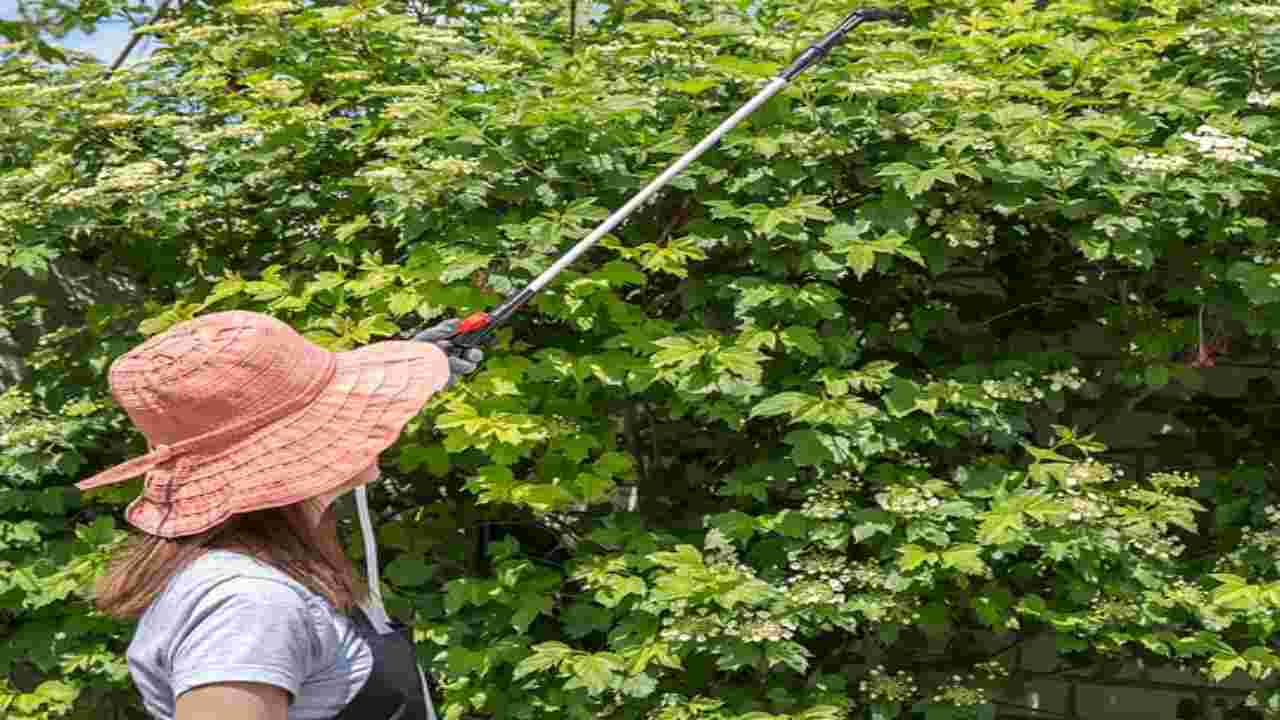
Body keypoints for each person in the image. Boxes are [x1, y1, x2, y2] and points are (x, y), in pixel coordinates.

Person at [75, 310, 484, 720]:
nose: (368, 417)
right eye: (339, 409)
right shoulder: (248, 605)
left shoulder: (279, 562)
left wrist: (412, 373)